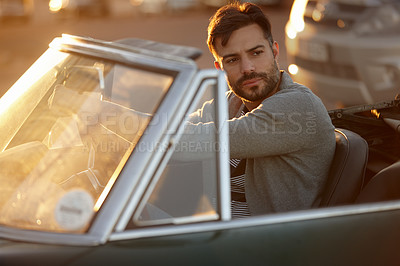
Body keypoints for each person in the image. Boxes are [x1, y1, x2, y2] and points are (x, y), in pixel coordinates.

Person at [183, 2, 336, 217]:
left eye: (256, 53)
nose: (247, 68)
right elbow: (180, 126)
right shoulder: (233, 102)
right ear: (220, 68)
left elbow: (197, 140)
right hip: (215, 228)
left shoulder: (298, 107)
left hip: (266, 242)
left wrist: (137, 128)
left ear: (274, 51)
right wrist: (127, 123)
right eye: (233, 60)